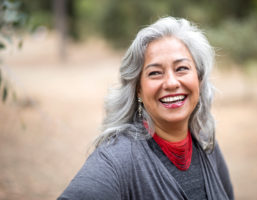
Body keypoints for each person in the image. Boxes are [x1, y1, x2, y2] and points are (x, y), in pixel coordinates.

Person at [58, 16, 234, 200]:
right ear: (138, 90)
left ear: (199, 79)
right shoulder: (118, 158)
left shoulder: (206, 142)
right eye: (155, 73)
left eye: (181, 68)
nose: (172, 83)